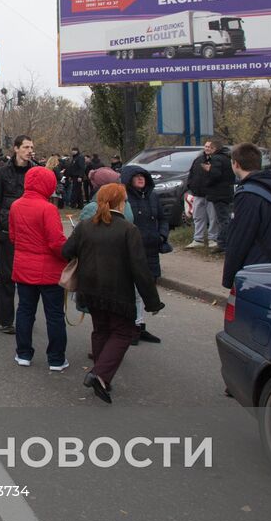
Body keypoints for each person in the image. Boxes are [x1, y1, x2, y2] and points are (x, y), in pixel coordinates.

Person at [62, 183, 163, 404]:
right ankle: (100, 374)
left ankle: (102, 376)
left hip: (89, 290)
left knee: (101, 330)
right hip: (117, 292)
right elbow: (140, 269)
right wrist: (152, 302)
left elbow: (66, 251)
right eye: (124, 199)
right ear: (119, 202)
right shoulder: (128, 229)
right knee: (123, 332)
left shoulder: (85, 226)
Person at [9, 166, 68, 370]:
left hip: (24, 267)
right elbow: (56, 242)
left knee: (25, 311)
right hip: (49, 270)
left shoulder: (16, 206)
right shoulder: (48, 209)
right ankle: (56, 359)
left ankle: (23, 353)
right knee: (54, 315)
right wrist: (70, 253)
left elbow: (13, 236)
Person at [221, 143, 271, 290]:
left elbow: (240, 238)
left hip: (255, 266)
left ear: (236, 164)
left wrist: (229, 278)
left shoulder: (248, 194)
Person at [0, 135, 36, 334]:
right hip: (7, 230)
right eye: (26, 147)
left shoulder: (35, 171)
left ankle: (27, 318)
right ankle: (6, 319)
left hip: (30, 231)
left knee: (30, 278)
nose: (29, 151)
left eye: (31, 147)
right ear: (16, 149)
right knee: (7, 276)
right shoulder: (2, 172)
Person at [120, 164, 168, 343]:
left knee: (145, 288)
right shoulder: (124, 198)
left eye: (143, 176)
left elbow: (163, 219)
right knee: (131, 290)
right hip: (131, 251)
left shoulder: (153, 197)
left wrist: (162, 236)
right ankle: (129, 327)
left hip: (151, 250)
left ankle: (139, 327)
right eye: (137, 176)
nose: (141, 179)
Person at [199, 139, 235, 250]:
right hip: (227, 192)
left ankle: (223, 243)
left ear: (214, 149)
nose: (208, 150)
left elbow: (215, 175)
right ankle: (225, 242)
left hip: (219, 193)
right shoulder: (227, 158)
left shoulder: (216, 158)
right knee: (226, 218)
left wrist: (208, 177)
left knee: (223, 220)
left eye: (210, 148)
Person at [185, 148, 211, 248]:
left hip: (211, 194)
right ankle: (198, 239)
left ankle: (213, 239)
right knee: (197, 217)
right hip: (197, 194)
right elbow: (191, 173)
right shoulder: (198, 159)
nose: (207, 148)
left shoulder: (217, 160)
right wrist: (190, 185)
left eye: (210, 147)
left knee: (213, 219)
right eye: (206, 146)